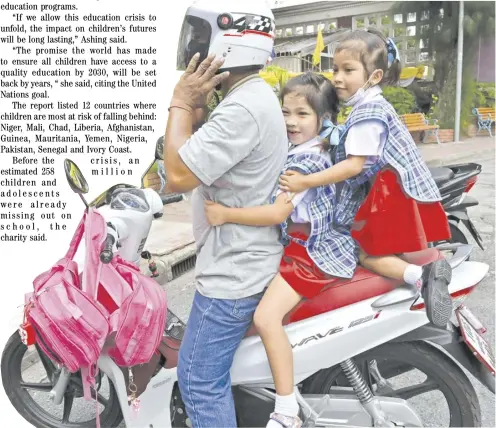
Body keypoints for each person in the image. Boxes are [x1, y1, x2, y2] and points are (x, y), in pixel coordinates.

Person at [164, 1, 288, 426]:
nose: (193, 46)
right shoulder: (249, 97)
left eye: (199, 35)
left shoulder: (241, 109)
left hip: (233, 276)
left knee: (198, 378)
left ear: (227, 38)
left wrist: (181, 100)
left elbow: (179, 173)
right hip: (246, 260)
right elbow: (201, 152)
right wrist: (196, 107)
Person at [278, 28, 453, 329]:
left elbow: (353, 167)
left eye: (348, 70)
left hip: (385, 198)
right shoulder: (370, 106)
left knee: (363, 253)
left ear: (374, 76)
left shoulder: (367, 113)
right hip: (389, 193)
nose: (337, 78)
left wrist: (304, 182)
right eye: (335, 69)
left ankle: (420, 276)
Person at [205, 72, 340, 428]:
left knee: (266, 318)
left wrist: (225, 213)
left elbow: (278, 212)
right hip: (302, 248)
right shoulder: (310, 149)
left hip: (309, 255)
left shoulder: (302, 163)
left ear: (323, 119)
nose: (291, 122)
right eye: (286, 112)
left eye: (302, 114)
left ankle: (285, 411)